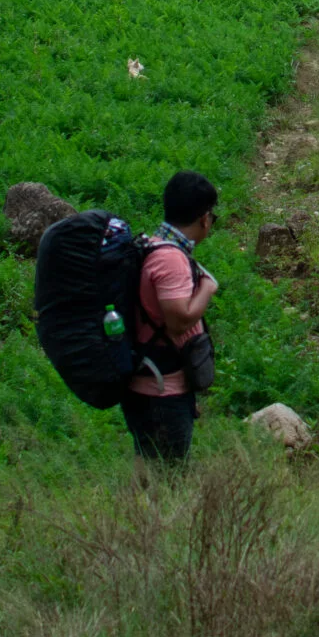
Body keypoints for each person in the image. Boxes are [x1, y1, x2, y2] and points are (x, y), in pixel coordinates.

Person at [126, 170, 220, 464]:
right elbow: (178, 321)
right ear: (204, 218)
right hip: (161, 393)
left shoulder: (154, 245)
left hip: (151, 385)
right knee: (170, 479)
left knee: (151, 476)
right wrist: (207, 287)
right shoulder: (171, 260)